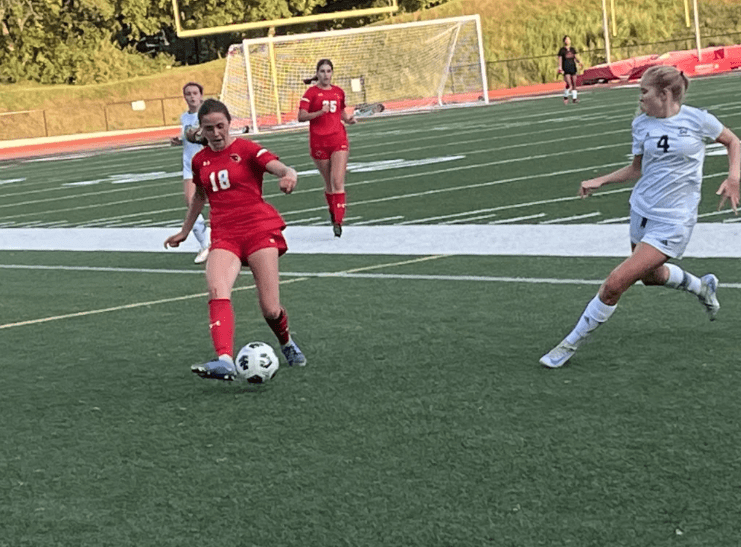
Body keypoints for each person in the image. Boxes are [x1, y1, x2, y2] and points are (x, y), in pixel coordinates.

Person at [540, 65, 740, 369]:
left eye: (644, 92)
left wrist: (734, 177)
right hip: (642, 210)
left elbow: (733, 142)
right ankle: (702, 287)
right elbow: (638, 168)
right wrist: (601, 180)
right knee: (651, 276)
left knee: (614, 284)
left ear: (665, 93)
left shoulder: (698, 120)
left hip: (675, 221)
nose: (640, 98)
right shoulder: (642, 124)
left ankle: (568, 345)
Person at [165, 98, 307, 380]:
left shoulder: (246, 149)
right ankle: (225, 360)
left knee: (270, 308)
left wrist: (289, 176)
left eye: (220, 126)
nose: (216, 134)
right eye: (209, 128)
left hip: (258, 230)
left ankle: (286, 342)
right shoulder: (199, 160)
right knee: (217, 289)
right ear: (201, 131)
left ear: (229, 124)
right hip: (225, 234)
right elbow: (200, 197)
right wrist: (185, 230)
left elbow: (280, 167)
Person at [298, 58, 357, 237]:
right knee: (329, 184)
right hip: (318, 142)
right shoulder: (311, 93)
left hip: (338, 139)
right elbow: (301, 116)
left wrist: (348, 120)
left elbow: (341, 112)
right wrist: (319, 113)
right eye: (322, 71)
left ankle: (338, 223)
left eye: (328, 71)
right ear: (317, 74)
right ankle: (334, 214)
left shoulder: (339, 92)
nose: (326, 75)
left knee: (337, 181)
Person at [170, 82, 210, 263]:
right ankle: (205, 244)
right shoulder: (184, 117)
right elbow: (189, 138)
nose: (192, 97)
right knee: (191, 202)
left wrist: (200, 135)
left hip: (208, 162)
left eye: (195, 93)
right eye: (188, 94)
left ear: (201, 95)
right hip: (189, 165)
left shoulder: (208, 115)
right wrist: (180, 140)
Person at [557, 36, 583, 104]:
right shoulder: (562, 50)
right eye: (566, 40)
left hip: (573, 68)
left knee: (574, 83)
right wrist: (560, 68)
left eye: (568, 39)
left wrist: (579, 62)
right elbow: (560, 59)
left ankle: (574, 98)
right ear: (564, 41)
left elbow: (576, 57)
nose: (567, 41)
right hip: (566, 68)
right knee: (569, 84)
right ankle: (565, 96)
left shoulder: (572, 49)